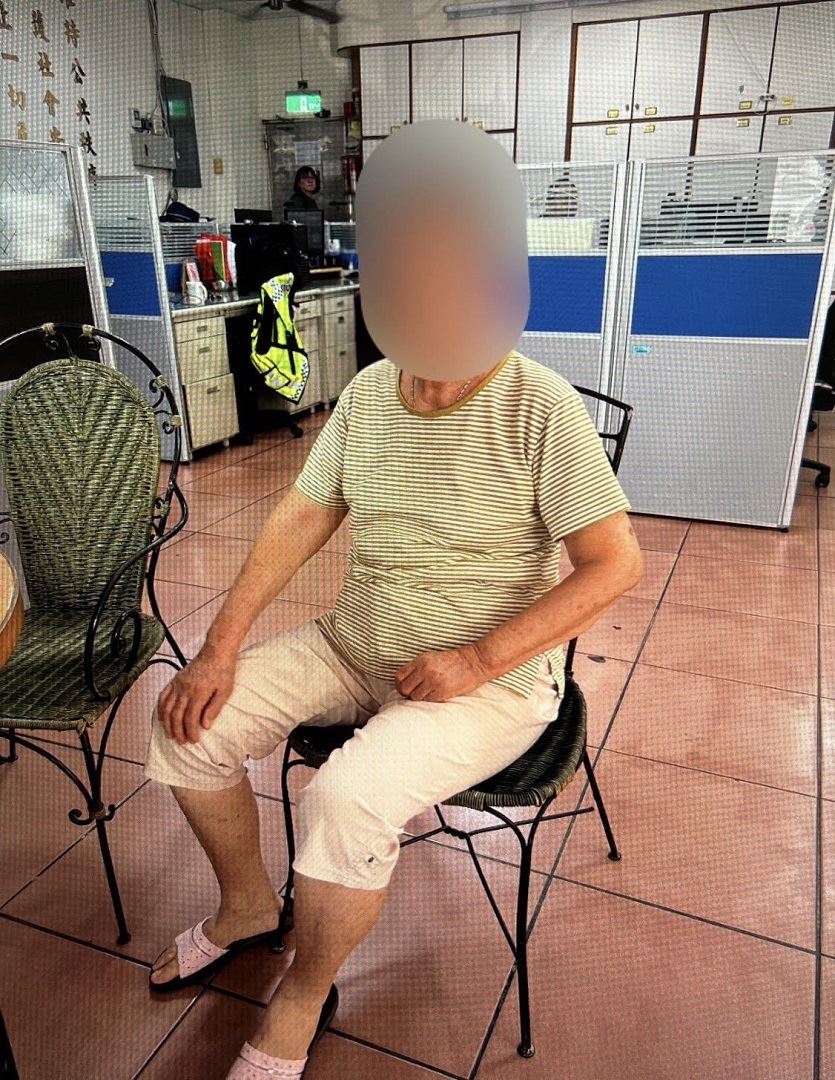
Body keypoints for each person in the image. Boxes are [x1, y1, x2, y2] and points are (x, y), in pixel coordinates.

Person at [143, 120, 644, 1080]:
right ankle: (247, 907)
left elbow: (614, 565)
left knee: (343, 800)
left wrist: (477, 660)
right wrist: (218, 647)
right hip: (356, 644)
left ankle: (301, 995)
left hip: (485, 683)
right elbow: (299, 517)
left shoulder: (538, 406)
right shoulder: (371, 395)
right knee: (184, 725)